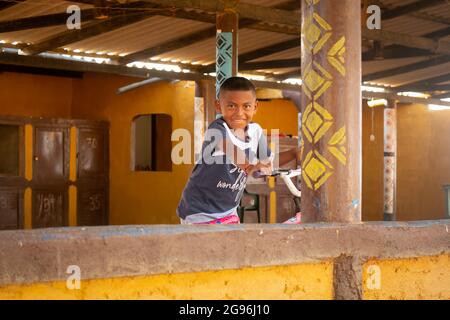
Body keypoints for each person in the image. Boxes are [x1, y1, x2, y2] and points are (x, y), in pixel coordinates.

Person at [177, 76, 300, 224]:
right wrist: (252, 166)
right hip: (200, 211)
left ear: (255, 107)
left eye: (246, 106)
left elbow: (267, 161)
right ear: (218, 106)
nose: (239, 113)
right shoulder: (217, 130)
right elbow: (232, 150)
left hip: (229, 210)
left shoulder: (256, 131)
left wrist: (294, 153)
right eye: (231, 106)